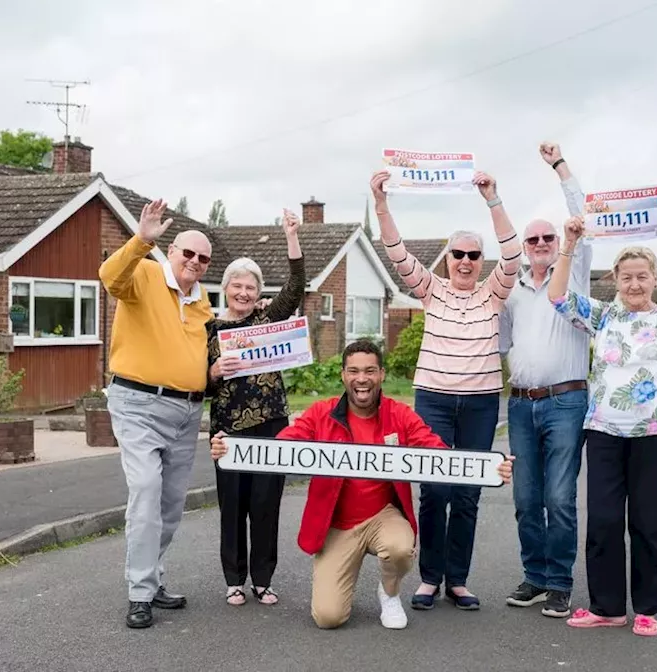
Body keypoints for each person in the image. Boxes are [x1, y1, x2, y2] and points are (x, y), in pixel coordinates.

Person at [208, 340, 515, 630]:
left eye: (370, 370)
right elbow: (280, 447)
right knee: (328, 618)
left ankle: (390, 593)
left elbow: (434, 449)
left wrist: (485, 468)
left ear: (381, 374)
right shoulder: (321, 413)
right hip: (337, 524)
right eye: (354, 371)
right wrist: (231, 449)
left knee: (398, 548)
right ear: (343, 375)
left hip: (383, 516)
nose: (362, 379)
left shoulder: (399, 414)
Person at [547, 211, 657, 637]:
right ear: (616, 280)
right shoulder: (603, 316)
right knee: (604, 520)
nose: (635, 284)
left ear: (655, 279)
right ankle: (607, 606)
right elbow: (557, 297)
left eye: (642, 276)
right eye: (626, 277)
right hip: (605, 431)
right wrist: (568, 243)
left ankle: (646, 608)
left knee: (646, 522)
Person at [370, 168, 522, 611]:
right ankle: (429, 577)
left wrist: (492, 198)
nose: (465, 260)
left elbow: (512, 254)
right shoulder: (430, 290)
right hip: (433, 400)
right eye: (457, 253)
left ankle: (458, 579)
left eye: (474, 255)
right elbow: (396, 252)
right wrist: (381, 204)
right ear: (447, 257)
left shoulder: (493, 293)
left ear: (481, 261)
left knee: (467, 493)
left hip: (479, 405)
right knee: (435, 490)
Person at [99, 198, 215, 630]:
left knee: (170, 505)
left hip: (187, 412)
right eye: (188, 253)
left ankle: (152, 577)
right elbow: (109, 277)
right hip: (138, 404)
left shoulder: (203, 304)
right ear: (172, 252)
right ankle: (139, 592)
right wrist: (141, 240)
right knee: (146, 491)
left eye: (204, 258)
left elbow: (200, 357)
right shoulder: (144, 273)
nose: (195, 262)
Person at [496, 141, 593, 617]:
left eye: (546, 240)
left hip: (566, 402)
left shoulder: (573, 276)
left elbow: (583, 215)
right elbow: (500, 345)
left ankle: (559, 582)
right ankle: (534, 576)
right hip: (520, 403)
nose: (538, 246)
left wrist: (560, 166)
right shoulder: (512, 290)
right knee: (525, 496)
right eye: (531, 241)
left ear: (558, 243)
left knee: (559, 495)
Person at [205, 208, 306, 607]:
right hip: (227, 429)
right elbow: (196, 381)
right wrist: (213, 369)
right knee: (233, 504)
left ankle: (262, 579)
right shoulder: (208, 329)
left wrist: (291, 236)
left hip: (271, 424)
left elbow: (297, 286)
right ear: (226, 288)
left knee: (266, 503)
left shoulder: (268, 318)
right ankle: (234, 578)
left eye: (251, 287)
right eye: (237, 286)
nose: (244, 293)